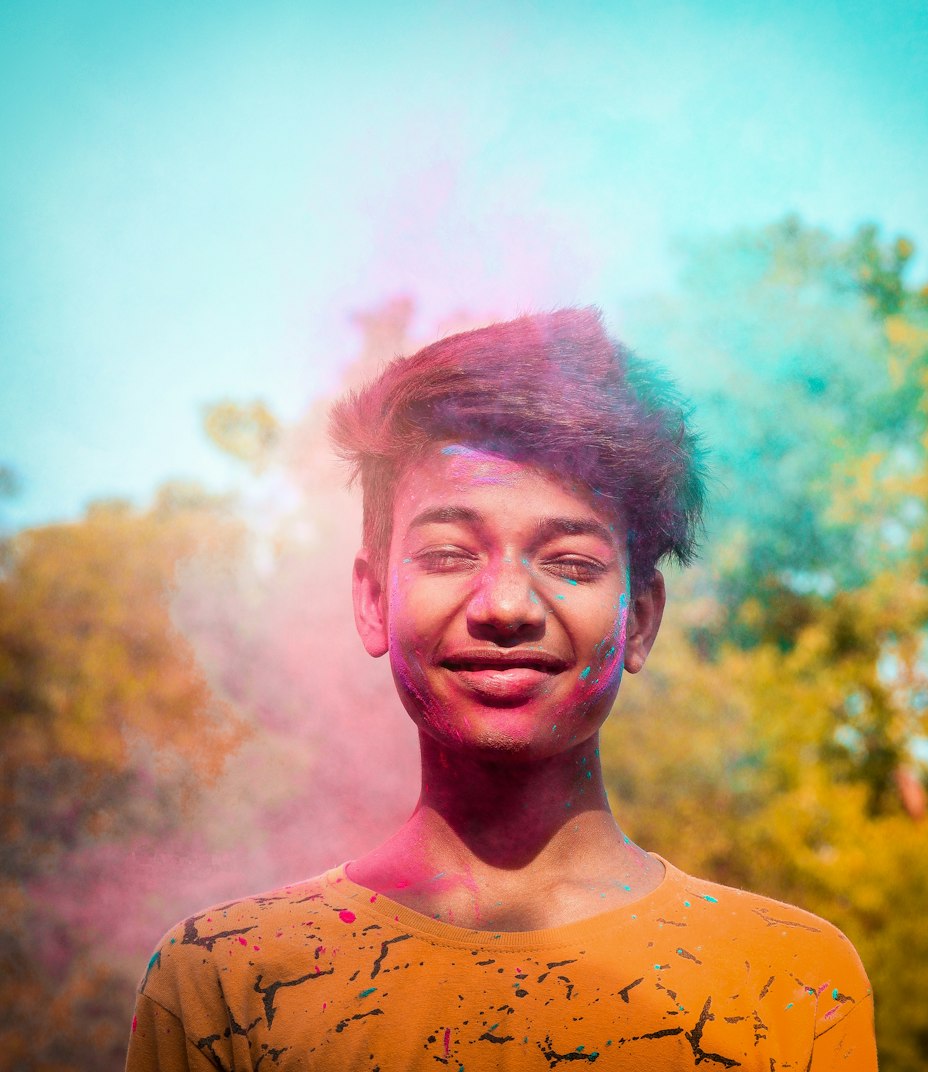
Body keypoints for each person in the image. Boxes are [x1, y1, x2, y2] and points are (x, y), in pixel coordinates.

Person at [126, 309, 877, 1070]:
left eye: (572, 562)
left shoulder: (785, 983)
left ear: (641, 619)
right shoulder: (227, 985)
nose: (506, 606)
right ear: (371, 599)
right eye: (450, 554)